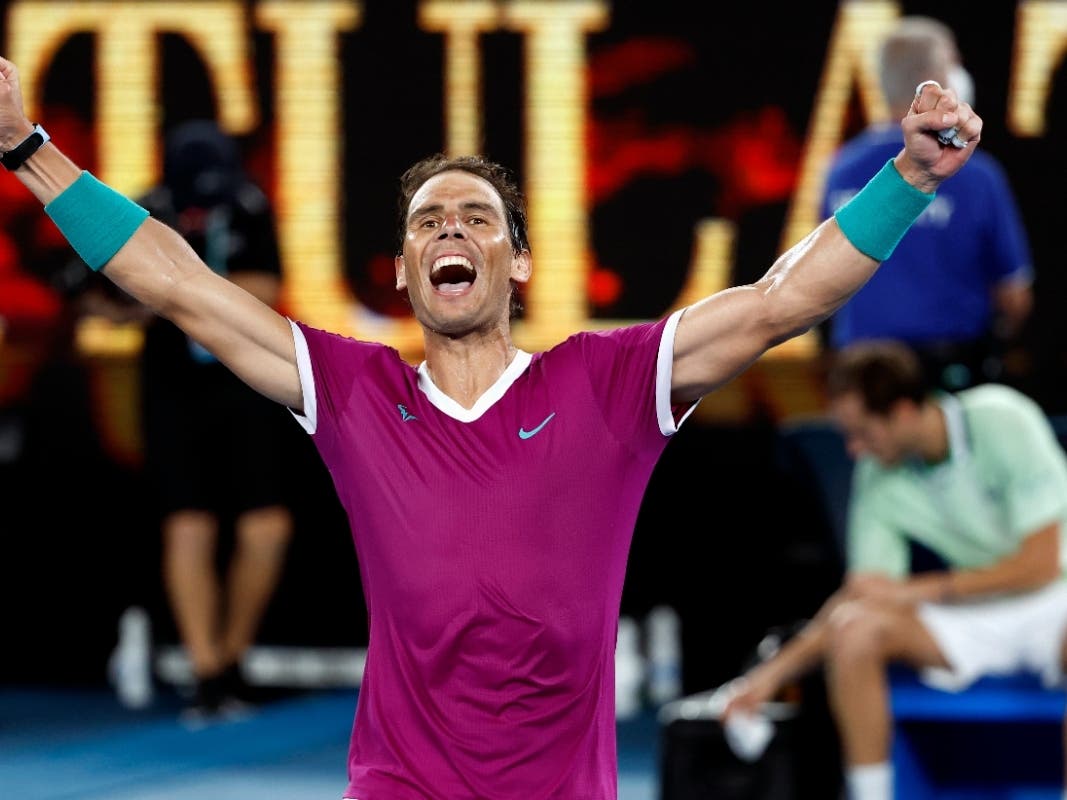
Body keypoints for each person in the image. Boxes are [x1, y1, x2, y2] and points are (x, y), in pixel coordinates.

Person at [0, 49, 983, 799]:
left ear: (516, 263)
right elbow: (177, 285)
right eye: (427, 221)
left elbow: (780, 302)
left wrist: (907, 181)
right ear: (399, 271)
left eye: (475, 217)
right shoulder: (353, 392)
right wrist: (26, 150)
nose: (449, 231)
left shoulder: (607, 382)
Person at [722, 339, 1067, 800]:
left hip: (1055, 597)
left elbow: (1041, 565)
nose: (853, 449)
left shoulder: (1004, 418)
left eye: (862, 432)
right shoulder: (876, 471)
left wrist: (921, 590)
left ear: (903, 412)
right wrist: (767, 678)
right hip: (977, 612)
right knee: (856, 630)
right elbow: (865, 594)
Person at [82, 120, 296, 722]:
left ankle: (232, 658)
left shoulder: (249, 202)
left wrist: (172, 292)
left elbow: (264, 287)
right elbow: (108, 299)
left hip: (247, 378)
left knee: (265, 527)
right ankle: (205, 671)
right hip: (173, 388)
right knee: (188, 524)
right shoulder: (142, 211)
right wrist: (128, 303)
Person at [820, 16, 1034, 392]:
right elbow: (1014, 296)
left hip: (862, 381)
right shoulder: (974, 174)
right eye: (954, 61)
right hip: (950, 377)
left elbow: (818, 276)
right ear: (935, 81)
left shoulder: (839, 170)